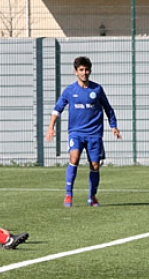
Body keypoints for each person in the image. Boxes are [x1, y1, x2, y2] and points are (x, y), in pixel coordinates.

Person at [46, 56, 121, 208]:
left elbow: (108, 108)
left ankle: (92, 196)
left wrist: (113, 126)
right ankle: (68, 195)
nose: (84, 73)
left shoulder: (97, 89)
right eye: (81, 70)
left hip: (94, 134)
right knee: (74, 158)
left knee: (95, 165)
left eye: (86, 70)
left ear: (90, 71)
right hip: (76, 133)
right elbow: (57, 109)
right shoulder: (70, 91)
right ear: (75, 72)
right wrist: (50, 127)